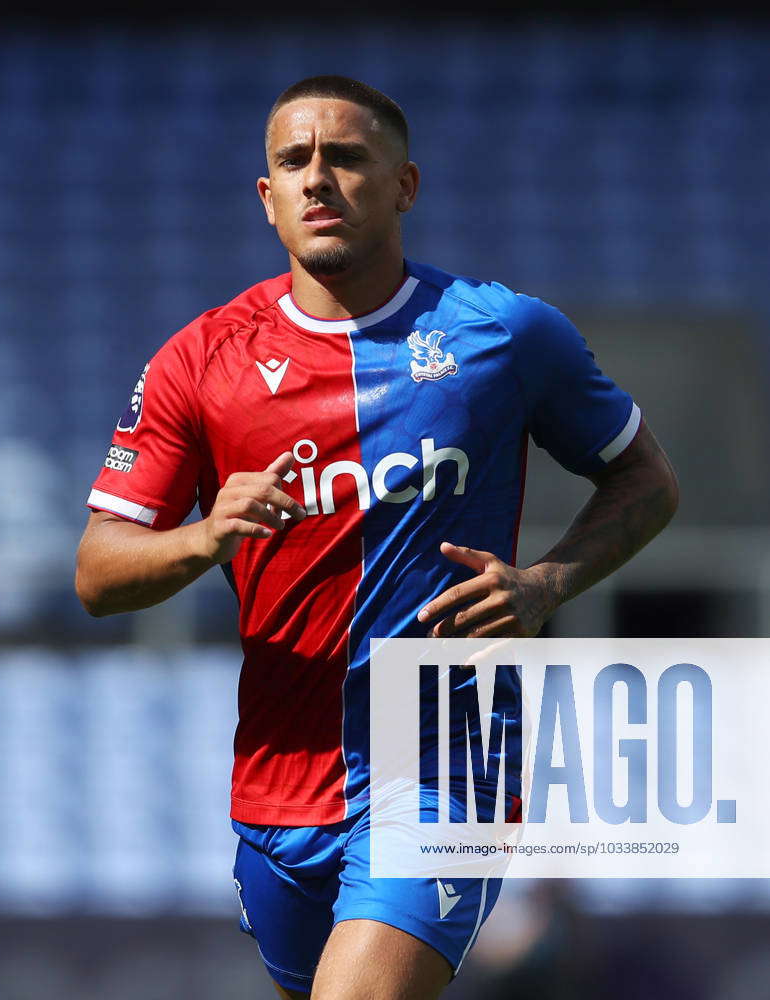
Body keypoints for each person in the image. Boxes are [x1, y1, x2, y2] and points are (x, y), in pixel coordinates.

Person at [76, 75, 679, 1000]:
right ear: (267, 197)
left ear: (405, 185)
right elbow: (97, 571)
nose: (319, 179)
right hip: (280, 775)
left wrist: (547, 583)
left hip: (444, 760)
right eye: (294, 161)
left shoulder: (503, 334)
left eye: (347, 157)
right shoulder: (198, 361)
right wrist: (203, 538)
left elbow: (645, 480)